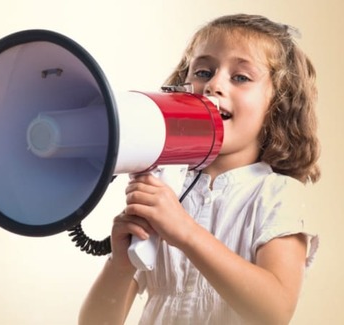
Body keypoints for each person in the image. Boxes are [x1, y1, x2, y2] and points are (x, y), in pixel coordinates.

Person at [79, 13, 321, 325]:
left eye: (241, 77)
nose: (214, 85)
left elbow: (274, 312)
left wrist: (186, 233)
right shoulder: (169, 190)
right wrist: (121, 265)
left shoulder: (276, 195)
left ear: (278, 104)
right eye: (203, 71)